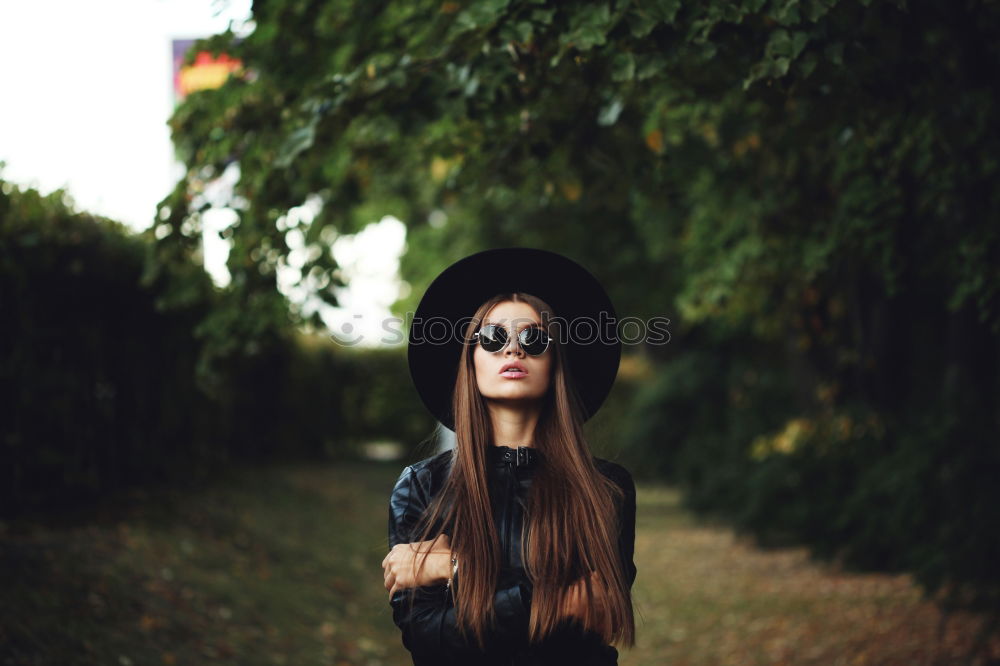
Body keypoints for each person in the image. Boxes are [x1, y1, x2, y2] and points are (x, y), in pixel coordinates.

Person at [382, 247, 637, 665]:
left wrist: (458, 571)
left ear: (556, 361)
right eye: (493, 337)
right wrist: (553, 598)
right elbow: (428, 642)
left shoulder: (607, 490)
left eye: (534, 338)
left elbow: (590, 625)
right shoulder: (421, 487)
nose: (513, 350)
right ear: (470, 358)